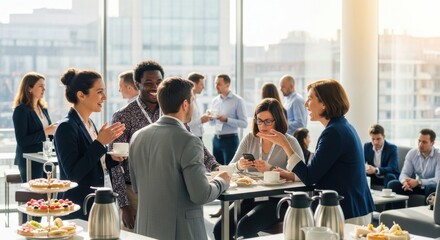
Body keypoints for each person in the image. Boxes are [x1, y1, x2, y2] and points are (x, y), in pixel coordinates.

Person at [259, 79, 374, 225]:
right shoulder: (341, 127)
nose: (306, 104)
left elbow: (310, 177)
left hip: (347, 212)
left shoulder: (333, 133)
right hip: (353, 208)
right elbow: (318, 172)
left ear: (324, 103)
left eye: (310, 99)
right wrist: (291, 176)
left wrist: (285, 145)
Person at [129, 76, 230, 239]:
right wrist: (221, 181)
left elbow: (137, 187)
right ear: (185, 104)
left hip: (145, 231)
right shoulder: (189, 141)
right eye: (192, 100)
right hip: (180, 232)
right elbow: (201, 195)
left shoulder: (137, 136)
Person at [213, 98, 304, 240]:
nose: (263, 125)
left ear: (278, 120)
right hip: (250, 198)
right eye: (259, 120)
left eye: (268, 121)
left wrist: (271, 169)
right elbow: (230, 169)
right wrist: (239, 165)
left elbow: (302, 175)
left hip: (278, 200)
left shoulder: (290, 142)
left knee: (245, 227)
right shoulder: (250, 138)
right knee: (219, 229)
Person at [54, 68, 125, 220]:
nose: (104, 97)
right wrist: (100, 143)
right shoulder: (66, 127)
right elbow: (73, 174)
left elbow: (91, 160)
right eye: (99, 92)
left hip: (94, 202)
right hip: (77, 207)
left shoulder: (89, 123)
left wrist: (111, 159)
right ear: (81, 95)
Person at [109, 60, 164, 230]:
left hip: (165, 191)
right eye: (148, 83)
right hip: (134, 193)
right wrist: (124, 205)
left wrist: (214, 166)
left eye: (158, 82)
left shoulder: (170, 111)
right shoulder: (123, 116)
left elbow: (189, 141)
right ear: (137, 84)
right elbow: (115, 164)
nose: (154, 87)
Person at [12, 72, 58, 182]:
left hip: (46, 158)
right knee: (36, 196)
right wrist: (46, 132)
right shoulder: (21, 110)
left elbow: (48, 135)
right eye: (40, 86)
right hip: (30, 161)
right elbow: (22, 141)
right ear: (29, 88)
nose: (44, 89)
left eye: (44, 86)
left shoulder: (43, 109)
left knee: (48, 195)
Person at [388, 128, 440, 208]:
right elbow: (404, 174)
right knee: (393, 184)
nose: (420, 144)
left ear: (432, 143)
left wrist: (419, 182)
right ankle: (399, 216)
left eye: (424, 142)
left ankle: (427, 217)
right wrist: (405, 182)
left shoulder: (438, 156)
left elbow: (437, 180)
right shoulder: (412, 153)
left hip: (430, 187)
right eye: (419, 141)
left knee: (432, 187)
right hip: (416, 186)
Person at [210, 74, 247, 165]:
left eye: (219, 84)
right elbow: (212, 124)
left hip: (230, 140)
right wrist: (210, 118)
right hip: (216, 139)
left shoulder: (238, 100)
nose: (216, 86)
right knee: (216, 169)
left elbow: (244, 123)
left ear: (227, 85)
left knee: (230, 169)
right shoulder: (215, 101)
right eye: (215, 83)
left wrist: (227, 120)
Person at [364, 124, 399, 188]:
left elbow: (392, 168)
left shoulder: (392, 148)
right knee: (363, 175)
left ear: (384, 136)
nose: (375, 142)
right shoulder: (367, 146)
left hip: (387, 176)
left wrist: (376, 170)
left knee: (389, 176)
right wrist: (366, 168)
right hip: (374, 177)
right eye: (373, 139)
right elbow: (361, 162)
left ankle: (387, 197)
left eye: (378, 139)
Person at [187, 72, 210, 139]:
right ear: (193, 84)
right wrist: (201, 120)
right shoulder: (187, 100)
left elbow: (194, 118)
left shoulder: (196, 99)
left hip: (198, 135)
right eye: (201, 84)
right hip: (191, 136)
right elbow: (184, 122)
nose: (203, 87)